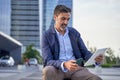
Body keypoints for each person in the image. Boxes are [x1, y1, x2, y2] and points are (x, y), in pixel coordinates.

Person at [42, 5, 103, 80]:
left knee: (96, 79)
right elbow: (48, 61)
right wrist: (64, 64)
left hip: (76, 69)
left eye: (68, 19)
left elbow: (85, 52)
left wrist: (95, 59)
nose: (66, 22)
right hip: (57, 69)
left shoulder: (74, 33)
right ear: (55, 17)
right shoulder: (46, 35)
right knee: (48, 71)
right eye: (63, 19)